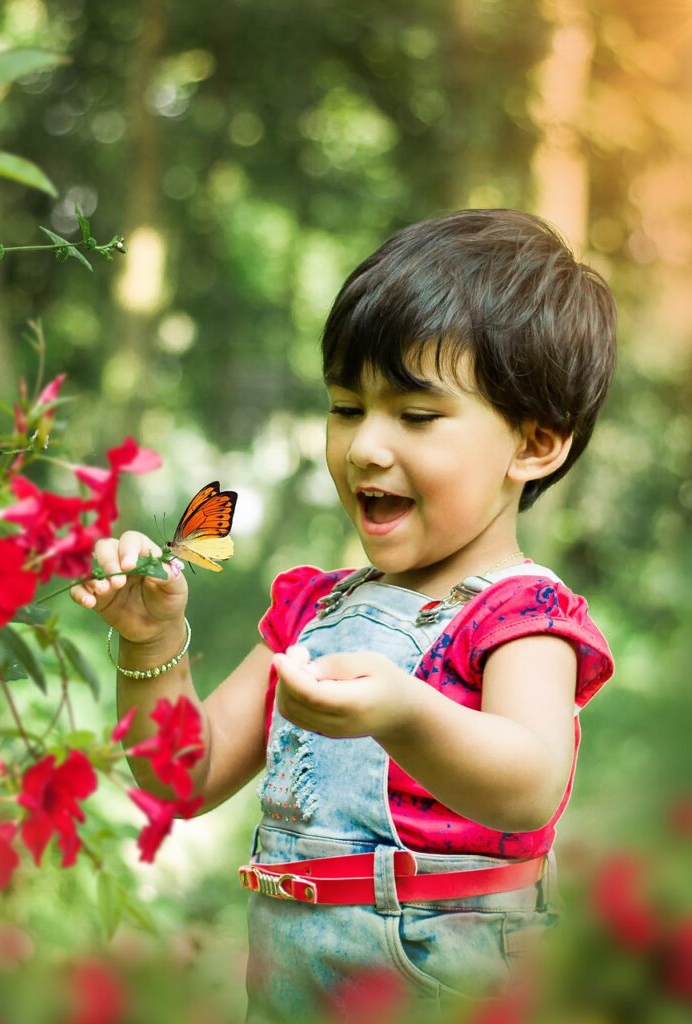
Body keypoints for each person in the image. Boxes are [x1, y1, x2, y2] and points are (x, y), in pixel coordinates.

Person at [71, 209, 616, 1021]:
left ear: (534, 444)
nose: (364, 447)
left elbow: (529, 785)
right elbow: (184, 779)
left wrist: (405, 713)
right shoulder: (313, 608)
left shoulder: (520, 615)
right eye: (346, 408)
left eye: (416, 415)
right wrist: (152, 641)